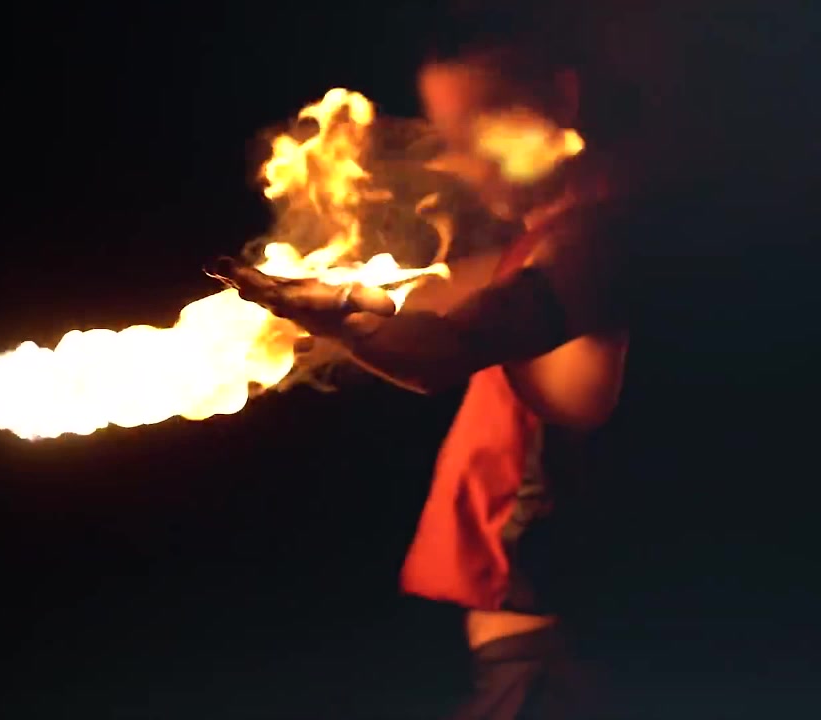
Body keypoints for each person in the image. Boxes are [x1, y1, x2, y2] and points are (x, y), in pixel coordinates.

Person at [225, 7, 635, 718]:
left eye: (479, 129)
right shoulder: (539, 246)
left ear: (562, 99)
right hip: (535, 655)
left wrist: (342, 322)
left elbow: (444, 349)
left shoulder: (592, 245)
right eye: (449, 137)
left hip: (550, 663)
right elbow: (432, 304)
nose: (459, 162)